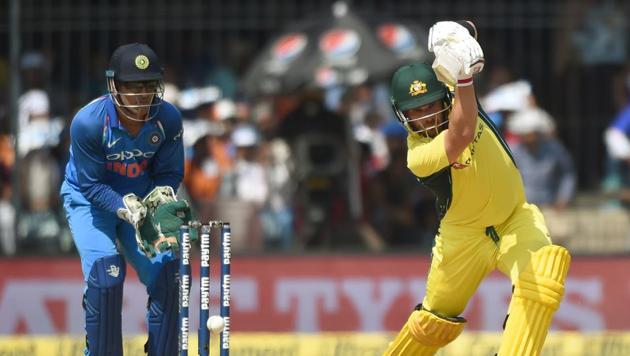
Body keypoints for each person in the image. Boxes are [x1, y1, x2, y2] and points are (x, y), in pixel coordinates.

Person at [384, 21, 571, 356]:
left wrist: (459, 36)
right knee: (432, 324)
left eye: (429, 105)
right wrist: (465, 77)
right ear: (403, 117)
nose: (425, 117)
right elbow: (462, 133)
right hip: (462, 239)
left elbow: (462, 36)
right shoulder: (418, 156)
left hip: (515, 218)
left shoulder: (456, 93)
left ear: (443, 97)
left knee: (542, 276)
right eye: (415, 112)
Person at [60, 43, 194, 355]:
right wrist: (124, 207)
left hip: (143, 202)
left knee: (169, 275)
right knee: (106, 277)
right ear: (113, 86)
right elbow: (90, 185)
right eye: (132, 87)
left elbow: (170, 173)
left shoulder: (168, 119)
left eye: (148, 86)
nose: (141, 95)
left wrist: (159, 200)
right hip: (89, 201)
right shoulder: (89, 122)